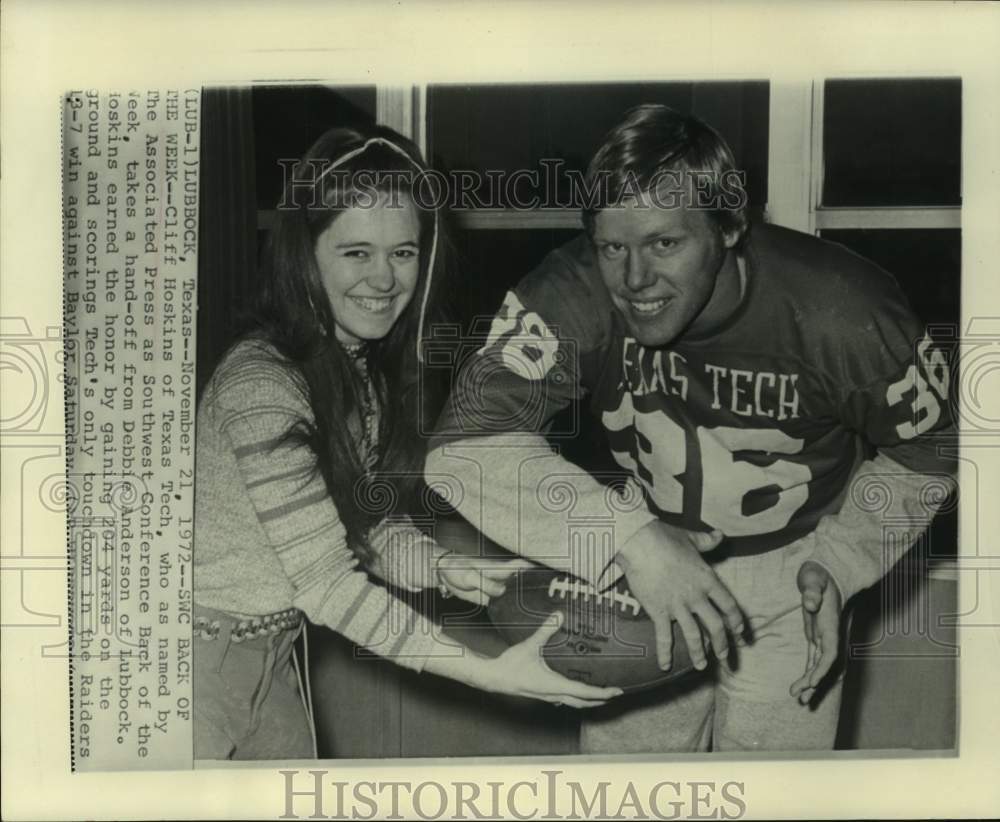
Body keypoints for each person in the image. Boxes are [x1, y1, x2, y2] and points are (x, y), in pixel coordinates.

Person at [426, 104, 957, 752]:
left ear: (730, 224)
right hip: (640, 559)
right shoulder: (573, 292)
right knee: (631, 798)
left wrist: (845, 558)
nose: (634, 279)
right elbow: (461, 449)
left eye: (664, 243)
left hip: (791, 568)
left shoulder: (841, 308)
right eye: (612, 247)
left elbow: (935, 447)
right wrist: (632, 539)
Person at [192, 124, 620, 761]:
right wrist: (488, 671)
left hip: (273, 655)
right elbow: (327, 584)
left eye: (403, 252)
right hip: (194, 666)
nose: (384, 279)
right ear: (305, 255)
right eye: (356, 252)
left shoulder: (355, 369)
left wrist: (445, 568)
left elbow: (362, 525)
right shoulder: (261, 384)